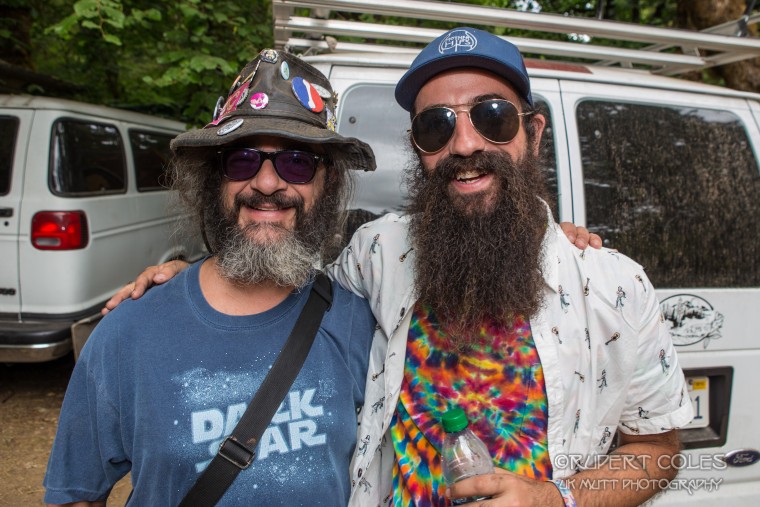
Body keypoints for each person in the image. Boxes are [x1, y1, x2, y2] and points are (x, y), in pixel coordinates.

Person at [101, 28, 689, 507]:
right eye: (437, 126)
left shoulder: (613, 286)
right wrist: (190, 280)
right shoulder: (377, 254)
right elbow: (276, 279)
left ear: (531, 133)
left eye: (492, 117)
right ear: (418, 147)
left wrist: (555, 499)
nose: (464, 144)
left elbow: (659, 449)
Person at [44, 49, 379, 506]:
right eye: (242, 161)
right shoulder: (128, 333)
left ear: (328, 184)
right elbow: (76, 494)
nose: (266, 184)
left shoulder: (356, 322)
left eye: (297, 162)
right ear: (213, 180)